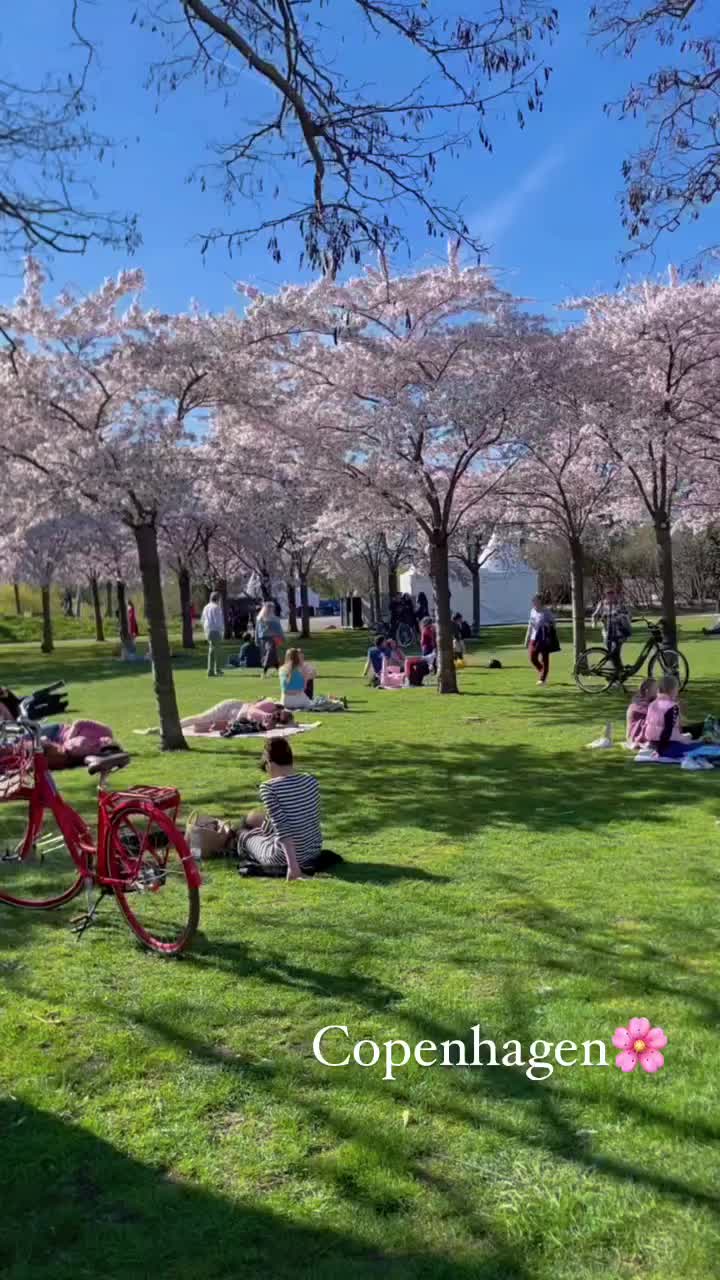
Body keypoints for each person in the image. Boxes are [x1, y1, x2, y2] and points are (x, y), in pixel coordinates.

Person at [238, 738, 322, 879]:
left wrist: (292, 867)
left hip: (284, 858)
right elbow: (304, 818)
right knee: (261, 825)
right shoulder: (310, 780)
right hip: (313, 851)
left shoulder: (269, 788)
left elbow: (283, 829)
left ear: (269, 762)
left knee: (242, 835)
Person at [640, 673, 694, 759]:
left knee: (688, 737)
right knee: (697, 747)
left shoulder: (653, 704)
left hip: (652, 742)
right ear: (672, 690)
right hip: (667, 745)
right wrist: (661, 751)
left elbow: (648, 725)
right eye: (677, 690)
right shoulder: (672, 707)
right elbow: (667, 731)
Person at [279, 649, 346, 711]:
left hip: (285, 701)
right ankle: (337, 701)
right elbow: (304, 687)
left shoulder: (281, 669)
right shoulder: (301, 669)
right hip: (299, 700)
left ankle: (333, 699)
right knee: (320, 702)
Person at [592, 587, 632, 682]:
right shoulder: (602, 604)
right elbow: (595, 615)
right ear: (605, 595)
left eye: (612, 594)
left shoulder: (620, 604)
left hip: (619, 633)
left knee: (615, 653)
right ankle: (617, 674)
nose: (610, 596)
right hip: (607, 633)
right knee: (611, 654)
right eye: (608, 594)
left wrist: (623, 620)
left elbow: (629, 615)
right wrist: (594, 623)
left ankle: (618, 674)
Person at [524, 595, 555, 686]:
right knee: (532, 658)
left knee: (544, 659)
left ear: (540, 602)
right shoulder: (532, 611)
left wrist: (547, 625)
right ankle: (543, 671)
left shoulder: (546, 612)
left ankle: (542, 679)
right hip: (534, 638)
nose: (534, 603)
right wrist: (527, 638)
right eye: (533, 602)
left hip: (544, 638)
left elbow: (553, 623)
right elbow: (530, 625)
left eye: (536, 601)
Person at [255, 601, 285, 678]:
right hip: (264, 639)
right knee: (271, 656)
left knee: (270, 655)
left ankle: (264, 672)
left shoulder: (274, 619)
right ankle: (278, 672)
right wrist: (257, 640)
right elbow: (257, 630)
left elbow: (279, 630)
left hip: (272, 639)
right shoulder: (260, 619)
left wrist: (281, 637)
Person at [625, 678, 658, 748]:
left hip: (633, 737)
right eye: (655, 689)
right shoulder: (638, 704)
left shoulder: (648, 701)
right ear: (647, 691)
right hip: (634, 736)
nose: (658, 691)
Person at [201, 591, 225, 677]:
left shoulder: (206, 607)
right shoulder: (216, 607)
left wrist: (205, 629)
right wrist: (222, 631)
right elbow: (218, 621)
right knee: (217, 651)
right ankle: (216, 670)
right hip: (215, 630)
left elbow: (203, 620)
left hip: (208, 630)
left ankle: (211, 670)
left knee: (212, 651)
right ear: (218, 598)